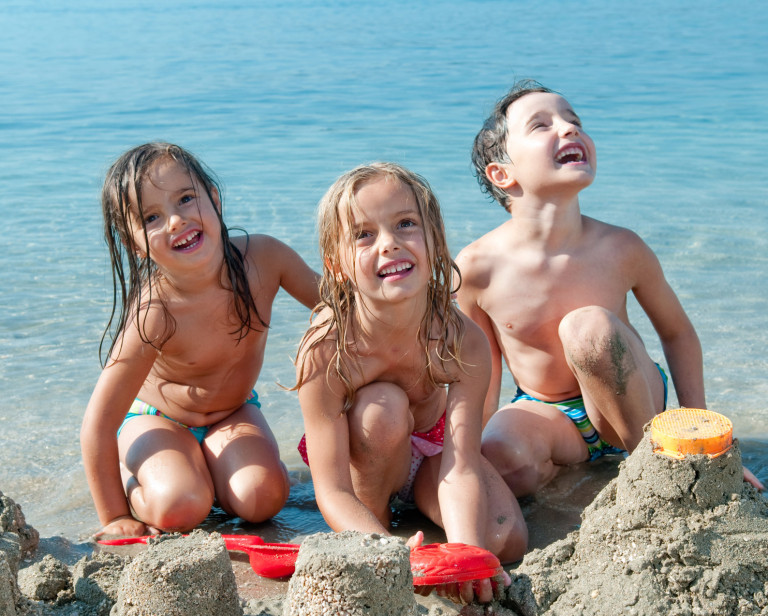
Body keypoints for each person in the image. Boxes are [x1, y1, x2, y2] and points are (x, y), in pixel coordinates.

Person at [456, 80, 764, 494]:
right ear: (502, 173)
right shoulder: (476, 267)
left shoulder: (620, 247)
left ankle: (661, 470)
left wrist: (703, 437)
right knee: (501, 458)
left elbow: (677, 334)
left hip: (630, 399)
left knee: (586, 329)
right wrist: (467, 458)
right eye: (541, 125)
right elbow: (482, 370)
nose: (569, 129)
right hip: (548, 412)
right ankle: (580, 484)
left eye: (574, 121)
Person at [293, 162, 527, 604]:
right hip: (368, 454)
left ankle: (423, 516)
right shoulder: (326, 350)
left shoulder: (460, 338)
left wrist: (465, 556)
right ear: (336, 265)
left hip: (435, 454)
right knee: (381, 406)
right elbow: (333, 489)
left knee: (505, 540)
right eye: (363, 234)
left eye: (405, 224)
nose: (389, 244)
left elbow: (462, 464)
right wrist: (385, 553)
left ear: (435, 240)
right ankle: (382, 525)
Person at [81, 142, 320, 538]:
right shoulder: (154, 312)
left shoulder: (264, 260)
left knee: (263, 500)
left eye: (186, 199)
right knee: (179, 507)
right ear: (133, 242)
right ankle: (138, 476)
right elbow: (98, 422)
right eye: (152, 218)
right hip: (157, 421)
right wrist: (114, 518)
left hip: (233, 411)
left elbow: (337, 306)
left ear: (214, 199)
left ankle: (214, 469)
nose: (175, 221)